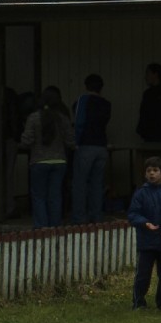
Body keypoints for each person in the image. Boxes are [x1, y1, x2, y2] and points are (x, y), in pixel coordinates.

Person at [19, 87, 74, 228]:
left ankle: (41, 229)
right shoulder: (62, 118)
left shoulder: (34, 117)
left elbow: (26, 141)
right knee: (55, 197)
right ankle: (55, 227)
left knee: (39, 197)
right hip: (60, 161)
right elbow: (70, 141)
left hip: (39, 161)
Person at [128, 156, 161, 310]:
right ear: (145, 174)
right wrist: (144, 223)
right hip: (147, 241)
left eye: (155, 170)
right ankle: (139, 302)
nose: (151, 174)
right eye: (148, 171)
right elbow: (133, 214)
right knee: (143, 275)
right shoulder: (140, 193)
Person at [71, 74, 112, 224]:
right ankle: (97, 215)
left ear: (86, 85)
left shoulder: (83, 100)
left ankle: (79, 218)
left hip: (85, 145)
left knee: (80, 183)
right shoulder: (106, 104)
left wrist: (76, 141)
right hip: (101, 145)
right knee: (97, 183)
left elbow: (79, 121)